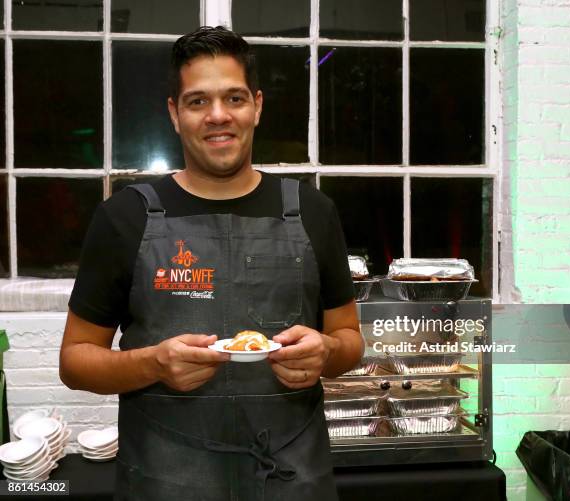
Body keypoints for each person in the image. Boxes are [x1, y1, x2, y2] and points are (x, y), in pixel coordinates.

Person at [60, 26, 363, 501]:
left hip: (290, 478)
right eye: (198, 101)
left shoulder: (312, 212)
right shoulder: (125, 217)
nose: (218, 116)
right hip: (166, 480)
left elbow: (350, 344)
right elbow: (75, 361)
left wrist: (325, 352)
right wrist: (152, 364)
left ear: (257, 106)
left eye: (234, 98)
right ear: (174, 114)